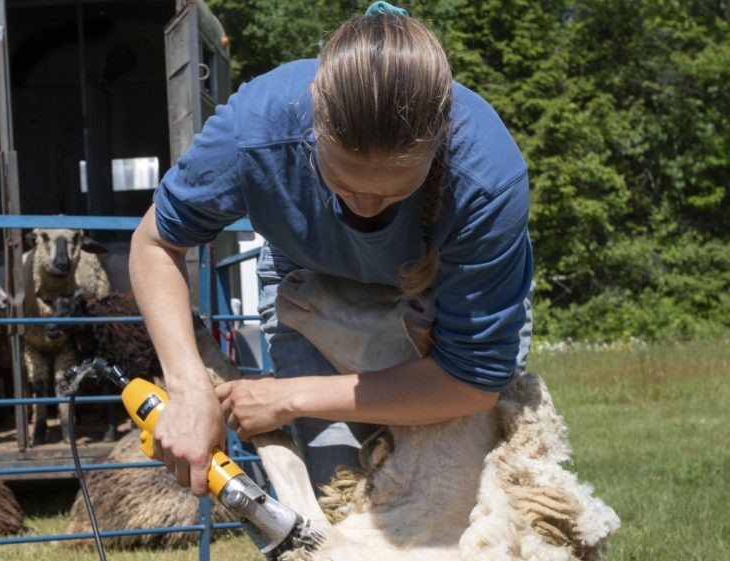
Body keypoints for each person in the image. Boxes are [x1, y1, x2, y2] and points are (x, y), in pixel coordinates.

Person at [129, 2, 534, 497]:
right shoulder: (257, 129)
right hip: (313, 295)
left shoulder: (486, 178)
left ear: (439, 140)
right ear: (313, 119)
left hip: (441, 317)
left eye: (392, 193)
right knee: (342, 505)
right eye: (341, 182)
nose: (364, 208)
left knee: (451, 506)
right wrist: (189, 389)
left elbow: (470, 381)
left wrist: (288, 397)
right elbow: (155, 242)